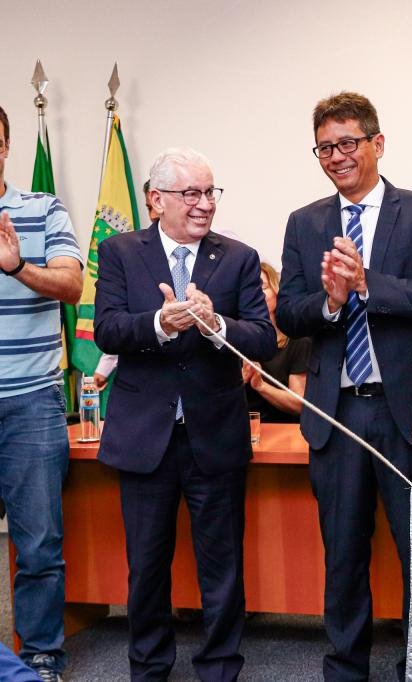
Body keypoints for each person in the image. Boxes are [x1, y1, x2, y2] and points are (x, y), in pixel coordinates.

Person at [276, 91, 412, 681]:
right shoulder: (304, 223)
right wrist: (329, 303)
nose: (336, 157)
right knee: (344, 554)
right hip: (336, 413)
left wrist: (366, 284)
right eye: (325, 148)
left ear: (377, 144)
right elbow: (288, 315)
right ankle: (345, 670)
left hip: (409, 412)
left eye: (347, 143)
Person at [94, 147, 276, 681]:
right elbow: (106, 329)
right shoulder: (121, 252)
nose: (203, 205)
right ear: (156, 200)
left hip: (213, 436)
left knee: (221, 567)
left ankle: (219, 667)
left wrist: (215, 324)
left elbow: (263, 338)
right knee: (147, 566)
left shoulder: (239, 258)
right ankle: (148, 667)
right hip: (145, 436)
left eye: (210, 192)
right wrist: (160, 323)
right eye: (189, 193)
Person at [0, 104, 84, 682]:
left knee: (38, 544)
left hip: (29, 402)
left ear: (4, 146)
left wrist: (18, 266)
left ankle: (40, 656)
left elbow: (73, 282)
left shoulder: (41, 209)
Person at [94, 180, 160, 392]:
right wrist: (103, 369)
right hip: (148, 384)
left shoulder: (224, 252)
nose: (152, 215)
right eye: (149, 207)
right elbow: (120, 318)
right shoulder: (131, 253)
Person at [241, 261, 310, 422]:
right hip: (244, 433)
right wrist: (241, 379)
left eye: (262, 287)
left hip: (286, 434)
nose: (257, 295)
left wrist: (261, 386)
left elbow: (300, 404)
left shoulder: (298, 341)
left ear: (276, 290)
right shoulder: (235, 339)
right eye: (250, 289)